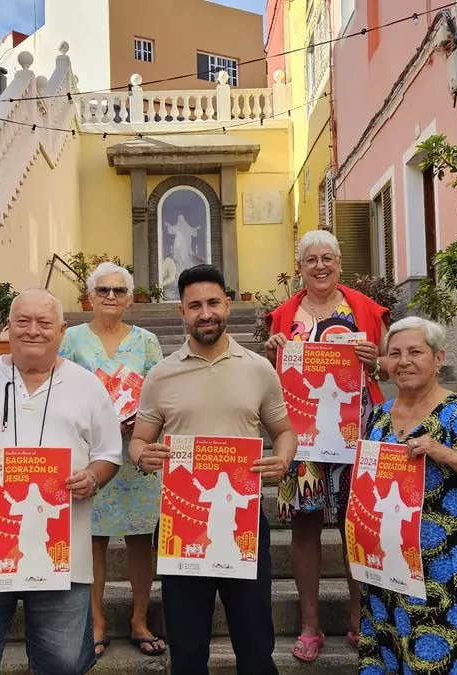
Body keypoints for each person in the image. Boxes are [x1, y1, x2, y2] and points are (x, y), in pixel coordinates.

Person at [0, 288, 122, 675]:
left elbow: (110, 454)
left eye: (44, 322)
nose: (33, 330)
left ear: (62, 331)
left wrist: (92, 477)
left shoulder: (88, 386)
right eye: (23, 321)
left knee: (63, 664)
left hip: (62, 555)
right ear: (8, 327)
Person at [131, 264, 297, 675]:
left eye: (212, 303)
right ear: (182, 312)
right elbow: (139, 439)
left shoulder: (258, 369)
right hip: (182, 524)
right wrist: (141, 455)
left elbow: (284, 431)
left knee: (255, 647)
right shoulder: (161, 374)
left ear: (227, 305)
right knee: (187, 652)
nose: (205, 313)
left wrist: (283, 460)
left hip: (243, 523)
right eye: (195, 306)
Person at [359, 317, 457, 674]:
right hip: (390, 570)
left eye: (415, 352)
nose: (404, 361)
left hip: (448, 573)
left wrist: (448, 454)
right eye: (394, 354)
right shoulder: (378, 418)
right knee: (391, 657)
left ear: (438, 358)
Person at [262, 229, 391, 661]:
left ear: (339, 263)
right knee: (305, 525)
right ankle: (310, 625)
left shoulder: (365, 309)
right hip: (302, 436)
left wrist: (377, 361)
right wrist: (272, 353)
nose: (320, 266)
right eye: (311, 259)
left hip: (357, 430)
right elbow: (272, 376)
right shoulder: (284, 315)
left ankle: (360, 619)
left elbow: (393, 363)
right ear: (299, 267)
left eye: (327, 258)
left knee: (356, 524)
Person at [58, 262, 167, 659]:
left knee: (140, 538)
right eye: (102, 289)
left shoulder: (147, 341)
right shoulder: (70, 339)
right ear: (89, 296)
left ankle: (139, 619)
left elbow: (157, 393)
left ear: (129, 299)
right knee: (93, 540)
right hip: (89, 455)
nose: (110, 296)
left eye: (118, 290)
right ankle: (96, 621)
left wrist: (143, 420)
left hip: (136, 452)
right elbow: (60, 389)